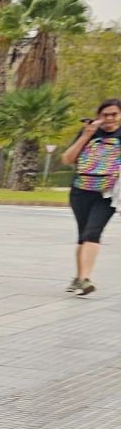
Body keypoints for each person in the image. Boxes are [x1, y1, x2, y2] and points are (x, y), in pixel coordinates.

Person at [62, 98, 121, 295]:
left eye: (114, 114)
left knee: (93, 232)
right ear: (98, 116)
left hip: (108, 194)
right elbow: (67, 159)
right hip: (81, 192)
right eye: (105, 115)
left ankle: (85, 279)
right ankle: (79, 278)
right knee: (83, 235)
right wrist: (86, 135)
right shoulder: (89, 132)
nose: (110, 118)